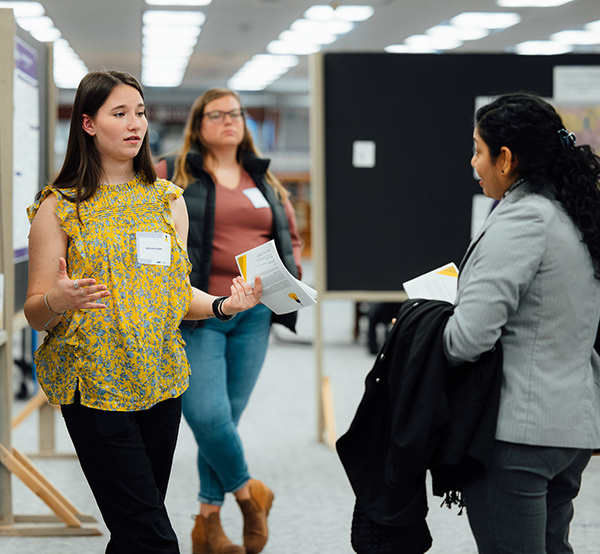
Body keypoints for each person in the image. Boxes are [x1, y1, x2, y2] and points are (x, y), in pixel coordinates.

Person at [24, 70, 263, 554]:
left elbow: (176, 296)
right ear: (88, 125)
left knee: (135, 529)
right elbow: (35, 311)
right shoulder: (59, 207)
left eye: (140, 112)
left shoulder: (167, 201)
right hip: (93, 385)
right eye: (119, 114)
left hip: (160, 381)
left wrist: (221, 305)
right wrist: (59, 301)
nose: (135, 124)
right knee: (153, 537)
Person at [443, 93, 600, 554]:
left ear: (506, 158)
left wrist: (425, 321)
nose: (473, 162)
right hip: (568, 424)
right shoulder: (570, 210)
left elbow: (467, 340)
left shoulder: (523, 219)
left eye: (477, 149)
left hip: (519, 432)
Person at [155, 87, 302, 554]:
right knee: (206, 415)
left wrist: (289, 277)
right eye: (216, 114)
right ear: (199, 123)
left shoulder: (263, 178)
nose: (228, 121)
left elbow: (288, 236)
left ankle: (207, 523)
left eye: (235, 114)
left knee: (228, 419)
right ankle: (249, 493)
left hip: (252, 316)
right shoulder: (172, 172)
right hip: (199, 313)